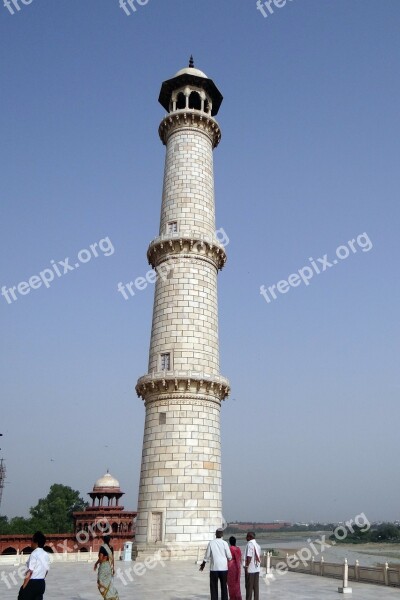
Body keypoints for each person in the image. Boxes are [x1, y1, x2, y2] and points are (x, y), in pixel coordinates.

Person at [200, 528, 232, 600]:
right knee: (224, 586)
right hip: (223, 568)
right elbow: (229, 557)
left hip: (214, 568)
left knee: (214, 587)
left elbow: (207, 556)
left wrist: (203, 564)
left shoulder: (211, 543)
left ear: (216, 534)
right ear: (222, 535)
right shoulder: (225, 543)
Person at [18, 531, 50, 600]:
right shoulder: (46, 554)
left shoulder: (34, 554)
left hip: (32, 584)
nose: (31, 542)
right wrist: (41, 579)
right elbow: (46, 571)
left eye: (32, 540)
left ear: (36, 543)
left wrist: (24, 586)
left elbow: (30, 572)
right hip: (41, 584)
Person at [94, 535, 120, 600]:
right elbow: (112, 559)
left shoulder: (102, 547)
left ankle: (108, 597)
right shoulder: (111, 547)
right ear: (109, 540)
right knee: (108, 583)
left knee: (100, 582)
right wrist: (113, 568)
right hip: (109, 567)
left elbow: (100, 559)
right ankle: (113, 597)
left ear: (103, 540)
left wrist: (96, 564)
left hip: (103, 567)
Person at [244, 532, 261, 600]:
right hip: (256, 569)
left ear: (250, 537)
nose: (246, 538)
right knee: (256, 587)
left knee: (249, 587)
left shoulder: (250, 544)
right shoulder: (257, 545)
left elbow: (249, 556)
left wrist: (247, 567)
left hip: (250, 569)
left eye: (247, 536)